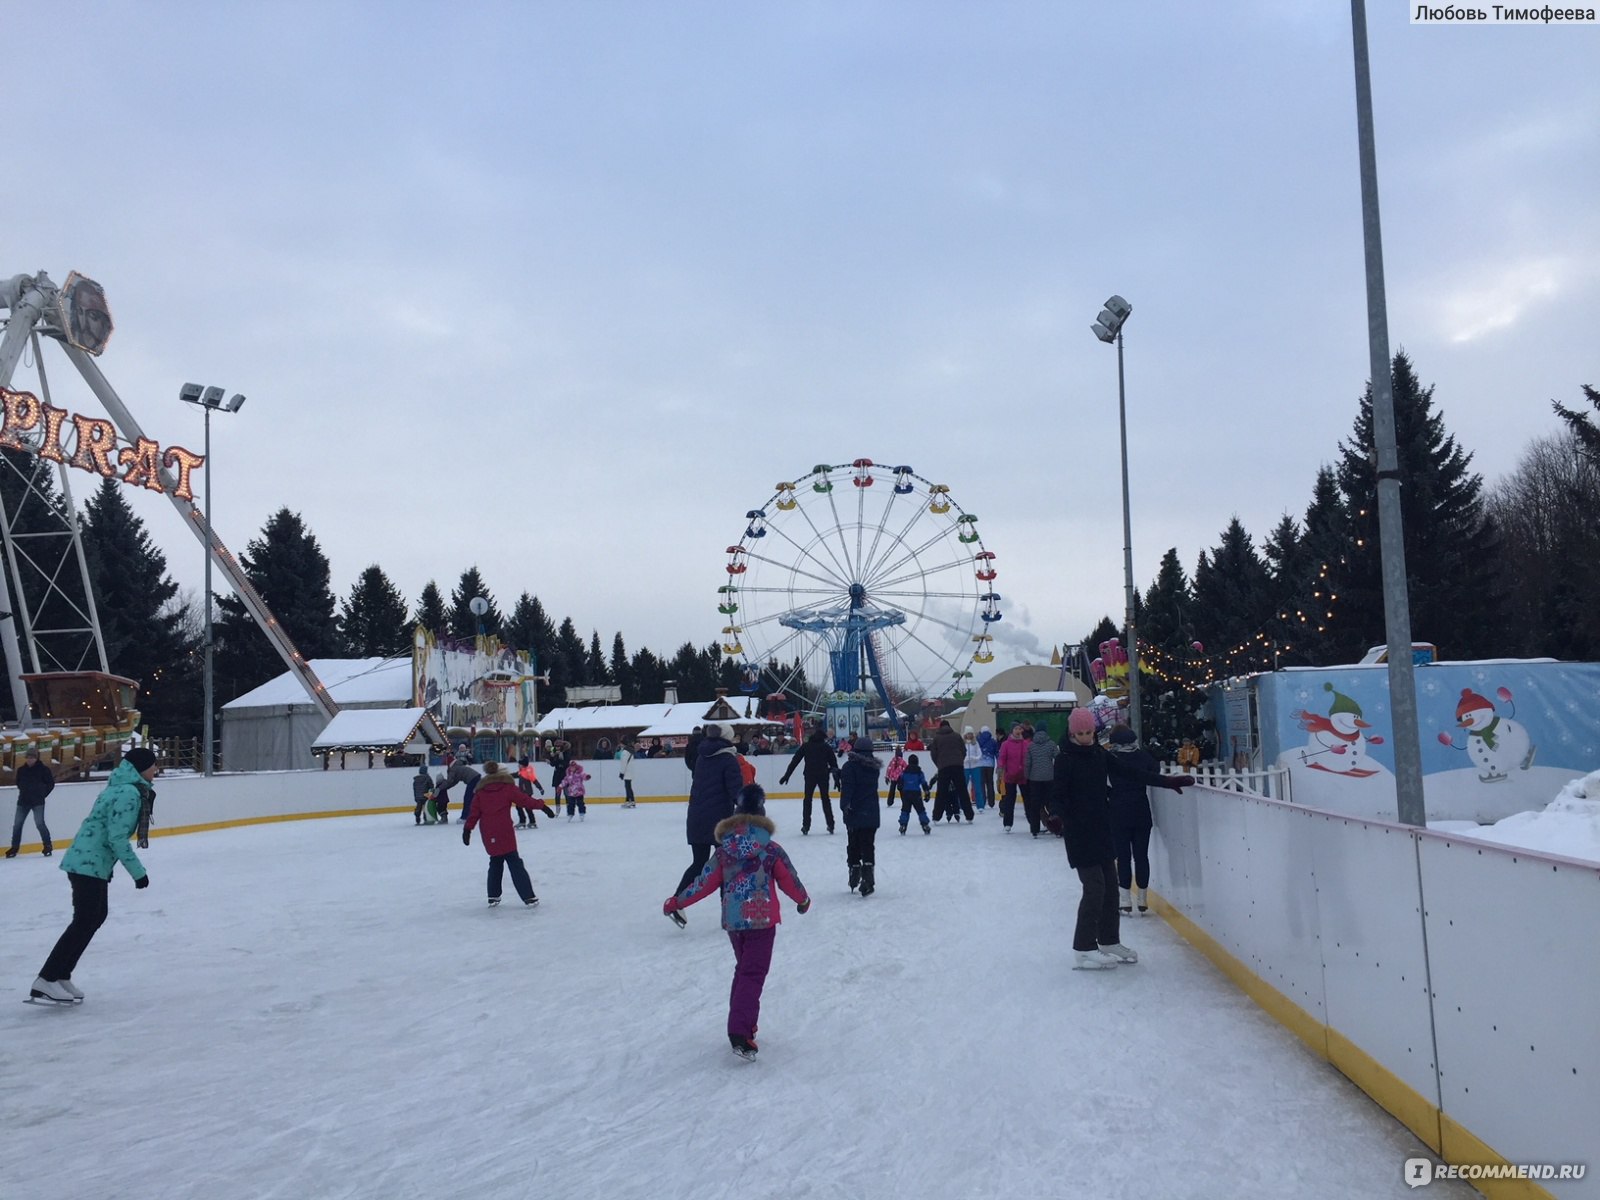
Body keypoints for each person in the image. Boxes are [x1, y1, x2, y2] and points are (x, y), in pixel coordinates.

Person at [662, 784, 810, 1059]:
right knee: (752, 974)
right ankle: (740, 1032)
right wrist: (802, 900)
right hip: (761, 920)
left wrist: (678, 901)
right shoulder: (771, 849)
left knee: (744, 971)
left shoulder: (723, 851)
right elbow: (789, 878)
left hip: (734, 921)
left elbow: (703, 882)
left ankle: (745, 1023)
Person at [1046, 709, 1192, 971]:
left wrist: (1166, 782)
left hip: (1102, 830)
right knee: (1094, 889)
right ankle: (1084, 948)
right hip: (1080, 834)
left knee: (1111, 890)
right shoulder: (1065, 760)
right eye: (1080, 733)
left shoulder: (1099, 754)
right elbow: (1057, 795)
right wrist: (1056, 816)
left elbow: (1132, 773)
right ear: (1071, 733)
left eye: (1088, 732)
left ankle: (1109, 941)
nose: (1085, 737)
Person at [28, 747, 158, 1004]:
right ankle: (46, 978)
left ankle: (61, 974)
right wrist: (138, 873)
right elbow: (117, 837)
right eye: (153, 765)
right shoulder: (129, 793)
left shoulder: (120, 787)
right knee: (85, 919)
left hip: (90, 862)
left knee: (95, 916)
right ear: (141, 768)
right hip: (88, 863)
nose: (156, 769)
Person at [665, 722, 742, 927]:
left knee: (699, 863)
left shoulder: (701, 757)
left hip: (697, 817)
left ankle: (676, 901)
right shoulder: (728, 759)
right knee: (727, 864)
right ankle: (729, 911)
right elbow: (736, 791)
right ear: (727, 738)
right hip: (720, 822)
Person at [462, 762, 557, 907]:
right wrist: (542, 806)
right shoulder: (508, 788)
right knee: (514, 862)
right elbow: (526, 801)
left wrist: (467, 829)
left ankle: (493, 896)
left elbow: (473, 813)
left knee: (495, 861)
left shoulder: (480, 792)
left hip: (488, 833)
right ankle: (528, 896)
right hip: (504, 831)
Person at [1107, 724, 1159, 915]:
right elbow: (1156, 770)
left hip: (1118, 812)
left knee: (1123, 857)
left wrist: (1111, 794)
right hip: (1141, 811)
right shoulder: (1143, 756)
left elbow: (1103, 782)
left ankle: (1125, 899)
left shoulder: (1113, 759)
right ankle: (1143, 898)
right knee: (1141, 856)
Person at [838, 734, 882, 895]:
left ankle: (854, 871)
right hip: (871, 811)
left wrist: (844, 806)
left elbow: (848, 789)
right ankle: (868, 878)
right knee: (868, 844)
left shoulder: (850, 767)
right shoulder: (874, 768)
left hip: (855, 811)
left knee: (854, 843)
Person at [778, 726, 840, 836]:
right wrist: (837, 780)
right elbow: (834, 765)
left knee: (807, 800)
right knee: (825, 799)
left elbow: (795, 761)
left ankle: (806, 826)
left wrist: (787, 775)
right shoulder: (826, 747)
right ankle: (831, 824)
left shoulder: (806, 746)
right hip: (823, 775)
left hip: (810, 776)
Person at [7, 747, 55, 857]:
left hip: (38, 802)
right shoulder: (21, 770)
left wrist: (42, 794)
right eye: (28, 757)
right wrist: (24, 791)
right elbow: (18, 782)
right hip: (23, 801)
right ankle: (14, 848)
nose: (29, 760)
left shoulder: (43, 770)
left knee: (40, 824)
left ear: (36, 758)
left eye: (32, 758)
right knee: (17, 825)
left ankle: (47, 845)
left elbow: (50, 784)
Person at [929, 720, 971, 823]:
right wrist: (959, 761)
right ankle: (969, 816)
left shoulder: (937, 738)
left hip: (944, 767)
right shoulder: (957, 736)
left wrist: (939, 764)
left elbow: (933, 754)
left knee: (941, 792)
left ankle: (936, 817)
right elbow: (964, 750)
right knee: (962, 791)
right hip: (957, 766)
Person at [1023, 723, 1058, 837]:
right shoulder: (1051, 744)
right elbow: (1058, 759)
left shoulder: (1031, 746)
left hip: (1035, 779)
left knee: (1035, 805)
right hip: (1049, 778)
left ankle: (1034, 830)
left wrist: (1027, 776)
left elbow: (1027, 763)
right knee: (1051, 803)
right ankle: (1057, 828)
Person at [889, 752, 931, 834]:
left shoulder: (905, 772)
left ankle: (903, 825)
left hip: (906, 794)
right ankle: (925, 824)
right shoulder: (919, 772)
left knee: (905, 810)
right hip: (916, 794)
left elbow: (900, 781)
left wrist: (900, 787)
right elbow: (923, 783)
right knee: (921, 810)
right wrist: (927, 792)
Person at [997, 724, 1028, 833]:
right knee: (1009, 801)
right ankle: (1008, 823)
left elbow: (1029, 758)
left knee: (1028, 800)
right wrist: (1000, 768)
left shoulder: (1026, 744)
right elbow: (1002, 758)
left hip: (1023, 776)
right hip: (1010, 776)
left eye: (1020, 729)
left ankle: (1032, 821)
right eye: (1016, 729)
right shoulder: (1006, 744)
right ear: (1012, 731)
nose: (1018, 731)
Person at [443, 750, 481, 826]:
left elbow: (449, 781)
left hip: (473, 780)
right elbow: (454, 781)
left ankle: (465, 817)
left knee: (468, 798)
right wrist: (445, 788)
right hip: (476, 778)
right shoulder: (457, 767)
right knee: (473, 798)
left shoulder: (453, 769)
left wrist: (441, 788)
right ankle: (474, 815)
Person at [515, 755, 547, 828]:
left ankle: (525, 821)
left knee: (522, 807)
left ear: (523, 765)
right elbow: (514, 775)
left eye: (519, 764)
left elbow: (535, 781)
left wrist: (540, 788)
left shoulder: (527, 773)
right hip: (522, 793)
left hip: (526, 793)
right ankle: (531, 821)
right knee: (525, 807)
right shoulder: (521, 772)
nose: (518, 766)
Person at [962, 727, 985, 812]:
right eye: (968, 733)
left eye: (971, 733)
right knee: (963, 786)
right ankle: (962, 805)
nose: (969, 735)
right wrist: (964, 760)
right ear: (965, 734)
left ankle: (980, 806)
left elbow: (980, 754)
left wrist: (975, 758)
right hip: (965, 767)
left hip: (976, 767)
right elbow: (960, 754)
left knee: (977, 786)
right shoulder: (962, 744)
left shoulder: (975, 743)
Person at [977, 725, 1000, 811]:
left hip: (980, 764)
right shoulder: (993, 741)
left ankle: (983, 801)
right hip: (990, 764)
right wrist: (998, 764)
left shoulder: (978, 740)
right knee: (990, 782)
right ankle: (991, 801)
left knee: (981, 783)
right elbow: (997, 753)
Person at [617, 739, 637, 808]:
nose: (620, 745)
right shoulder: (629, 751)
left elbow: (624, 763)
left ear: (623, 744)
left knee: (628, 786)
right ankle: (628, 801)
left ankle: (631, 801)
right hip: (629, 771)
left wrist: (621, 773)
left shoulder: (625, 752)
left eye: (621, 744)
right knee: (628, 786)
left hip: (627, 771)